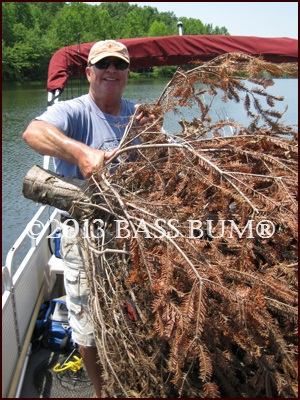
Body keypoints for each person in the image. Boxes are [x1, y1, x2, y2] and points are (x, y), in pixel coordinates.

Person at [22, 39, 153, 398]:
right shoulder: (74, 111)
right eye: (104, 64)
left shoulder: (135, 112)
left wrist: (152, 134)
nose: (111, 70)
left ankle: (135, 368)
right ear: (89, 72)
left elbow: (155, 164)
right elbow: (32, 132)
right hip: (84, 232)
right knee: (87, 320)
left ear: (127, 73)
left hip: (132, 230)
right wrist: (80, 153)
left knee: (139, 303)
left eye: (119, 65)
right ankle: (101, 392)